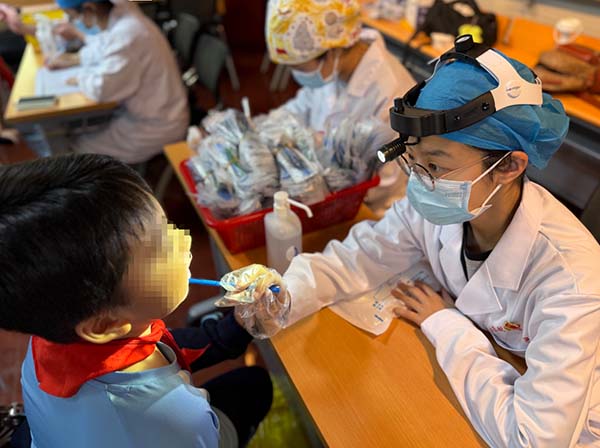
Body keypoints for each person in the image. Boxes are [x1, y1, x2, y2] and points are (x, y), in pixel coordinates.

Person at [235, 39, 600, 446]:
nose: (421, 182)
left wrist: (445, 323)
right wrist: (286, 294)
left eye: (436, 165)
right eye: (415, 160)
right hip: (495, 371)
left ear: (509, 166)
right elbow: (359, 257)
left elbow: (533, 438)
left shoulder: (571, 283)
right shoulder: (451, 203)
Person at [0, 154, 272, 447]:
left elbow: (149, 340)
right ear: (104, 325)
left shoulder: (52, 334)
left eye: (166, 226)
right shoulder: (181, 418)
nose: (184, 240)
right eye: (159, 250)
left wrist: (232, 330)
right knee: (254, 386)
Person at [265, 0, 415, 217]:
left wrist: (320, 184)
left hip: (372, 213)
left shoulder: (392, 94)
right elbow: (300, 107)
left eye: (298, 67)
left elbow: (386, 184)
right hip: (327, 197)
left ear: (333, 51)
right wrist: (263, 132)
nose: (295, 74)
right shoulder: (332, 69)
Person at [1, 0, 189, 164]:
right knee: (74, 132)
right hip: (149, 111)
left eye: (73, 16)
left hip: (154, 126)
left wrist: (79, 78)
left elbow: (102, 89)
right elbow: (105, 45)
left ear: (89, 8)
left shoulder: (127, 35)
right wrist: (75, 59)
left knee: (74, 149)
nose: (75, 22)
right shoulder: (122, 14)